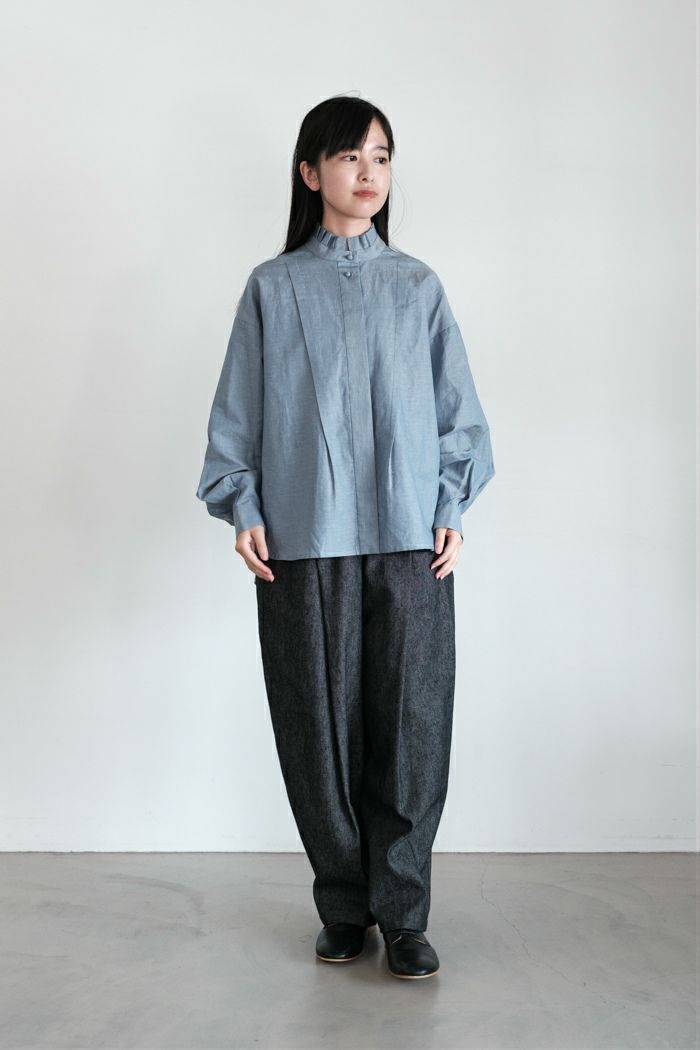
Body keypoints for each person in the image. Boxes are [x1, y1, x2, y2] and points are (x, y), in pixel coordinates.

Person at [195, 94, 495, 980]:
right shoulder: (272, 287)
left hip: (410, 543)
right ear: (310, 171)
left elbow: (460, 416)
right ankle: (343, 904)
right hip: (303, 540)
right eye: (350, 156)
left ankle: (404, 914)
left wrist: (451, 504)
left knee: (412, 728)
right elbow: (237, 413)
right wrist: (243, 507)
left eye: (382, 157)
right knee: (315, 730)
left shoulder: (418, 286)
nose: (369, 173)